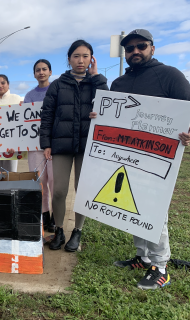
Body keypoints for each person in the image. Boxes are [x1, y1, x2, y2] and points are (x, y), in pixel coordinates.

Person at [90, 29, 190, 290]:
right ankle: (143, 257)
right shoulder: (119, 84)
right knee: (131, 206)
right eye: (130, 48)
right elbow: (113, 115)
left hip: (158, 156)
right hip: (126, 155)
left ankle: (161, 266)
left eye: (141, 46)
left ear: (152, 48)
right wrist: (98, 117)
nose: (135, 51)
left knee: (155, 208)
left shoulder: (170, 76)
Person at [40, 40, 108, 252]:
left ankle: (77, 230)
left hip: (87, 145)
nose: (81, 60)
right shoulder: (58, 85)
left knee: (83, 190)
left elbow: (109, 104)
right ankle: (59, 229)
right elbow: (47, 115)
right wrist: (46, 143)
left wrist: (97, 77)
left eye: (86, 56)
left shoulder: (95, 82)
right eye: (76, 56)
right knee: (59, 190)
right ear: (69, 59)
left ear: (92, 59)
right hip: (61, 145)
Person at [24, 59, 55, 232]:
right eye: (38, 70)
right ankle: (45, 216)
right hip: (35, 146)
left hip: (54, 145)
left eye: (44, 69)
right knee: (39, 183)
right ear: (34, 74)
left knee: (54, 183)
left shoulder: (57, 90)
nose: (41, 72)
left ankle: (56, 218)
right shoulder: (29, 96)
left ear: (50, 72)